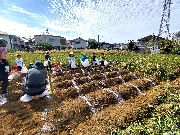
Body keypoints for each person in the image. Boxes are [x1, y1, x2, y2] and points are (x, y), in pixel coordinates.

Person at [0, 39, 9, 104]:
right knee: (5, 78)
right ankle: (3, 91)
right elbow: (3, 57)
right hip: (2, 64)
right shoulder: (3, 49)